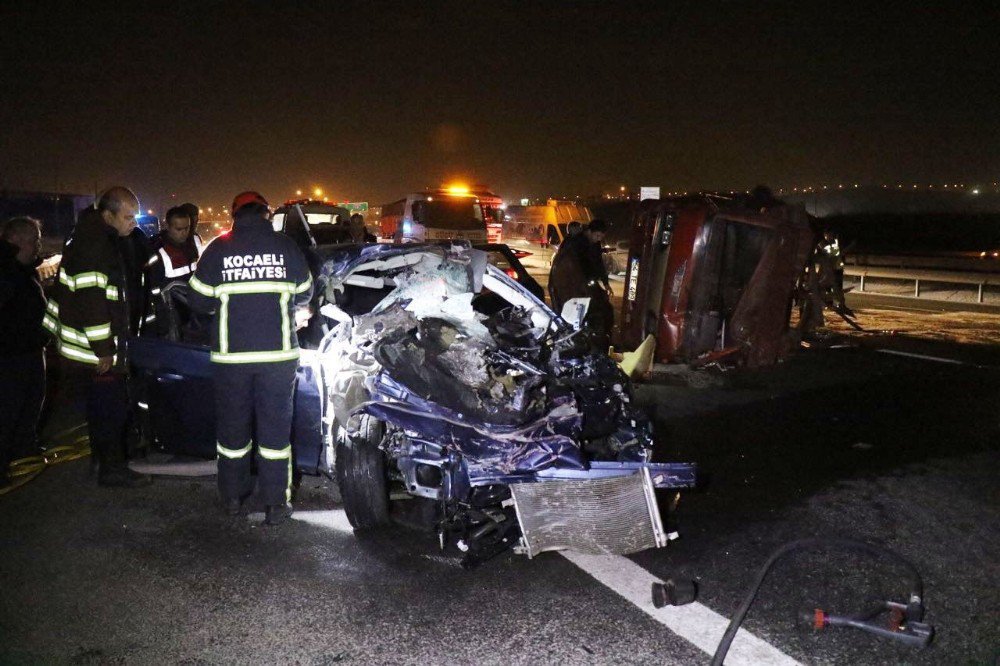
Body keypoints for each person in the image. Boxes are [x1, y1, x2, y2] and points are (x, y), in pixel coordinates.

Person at [188, 191, 313, 524]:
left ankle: (232, 497)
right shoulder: (286, 247)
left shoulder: (219, 248)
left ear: (234, 215)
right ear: (266, 214)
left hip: (232, 360)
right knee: (275, 435)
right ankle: (276, 504)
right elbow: (306, 293)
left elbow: (198, 300)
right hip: (278, 358)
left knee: (232, 433)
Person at [42, 187, 152, 487]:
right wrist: (104, 350)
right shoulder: (97, 246)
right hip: (93, 351)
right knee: (110, 410)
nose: (134, 222)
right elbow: (93, 301)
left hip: (83, 347)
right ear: (108, 215)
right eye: (128, 216)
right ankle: (112, 470)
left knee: (101, 408)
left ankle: (101, 463)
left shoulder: (92, 236)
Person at [0, 217, 48, 486]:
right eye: (34, 240)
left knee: (29, 406)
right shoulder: (6, 270)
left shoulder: (21, 269)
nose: (38, 246)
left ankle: (23, 454)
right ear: (15, 240)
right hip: (10, 356)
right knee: (8, 411)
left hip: (29, 349)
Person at [145, 206, 204, 336]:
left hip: (193, 309)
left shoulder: (194, 241)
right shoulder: (157, 248)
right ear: (168, 226)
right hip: (171, 312)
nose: (184, 233)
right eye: (179, 229)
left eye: (187, 228)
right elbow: (153, 288)